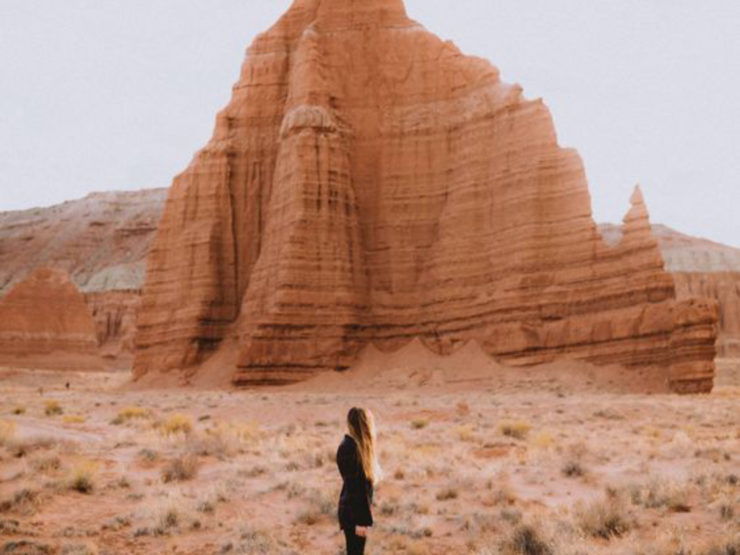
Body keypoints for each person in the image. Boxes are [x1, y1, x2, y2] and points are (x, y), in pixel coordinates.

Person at [336, 407, 382, 555]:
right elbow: (356, 489)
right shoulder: (350, 450)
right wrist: (361, 521)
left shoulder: (357, 448)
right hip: (353, 514)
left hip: (353, 511)